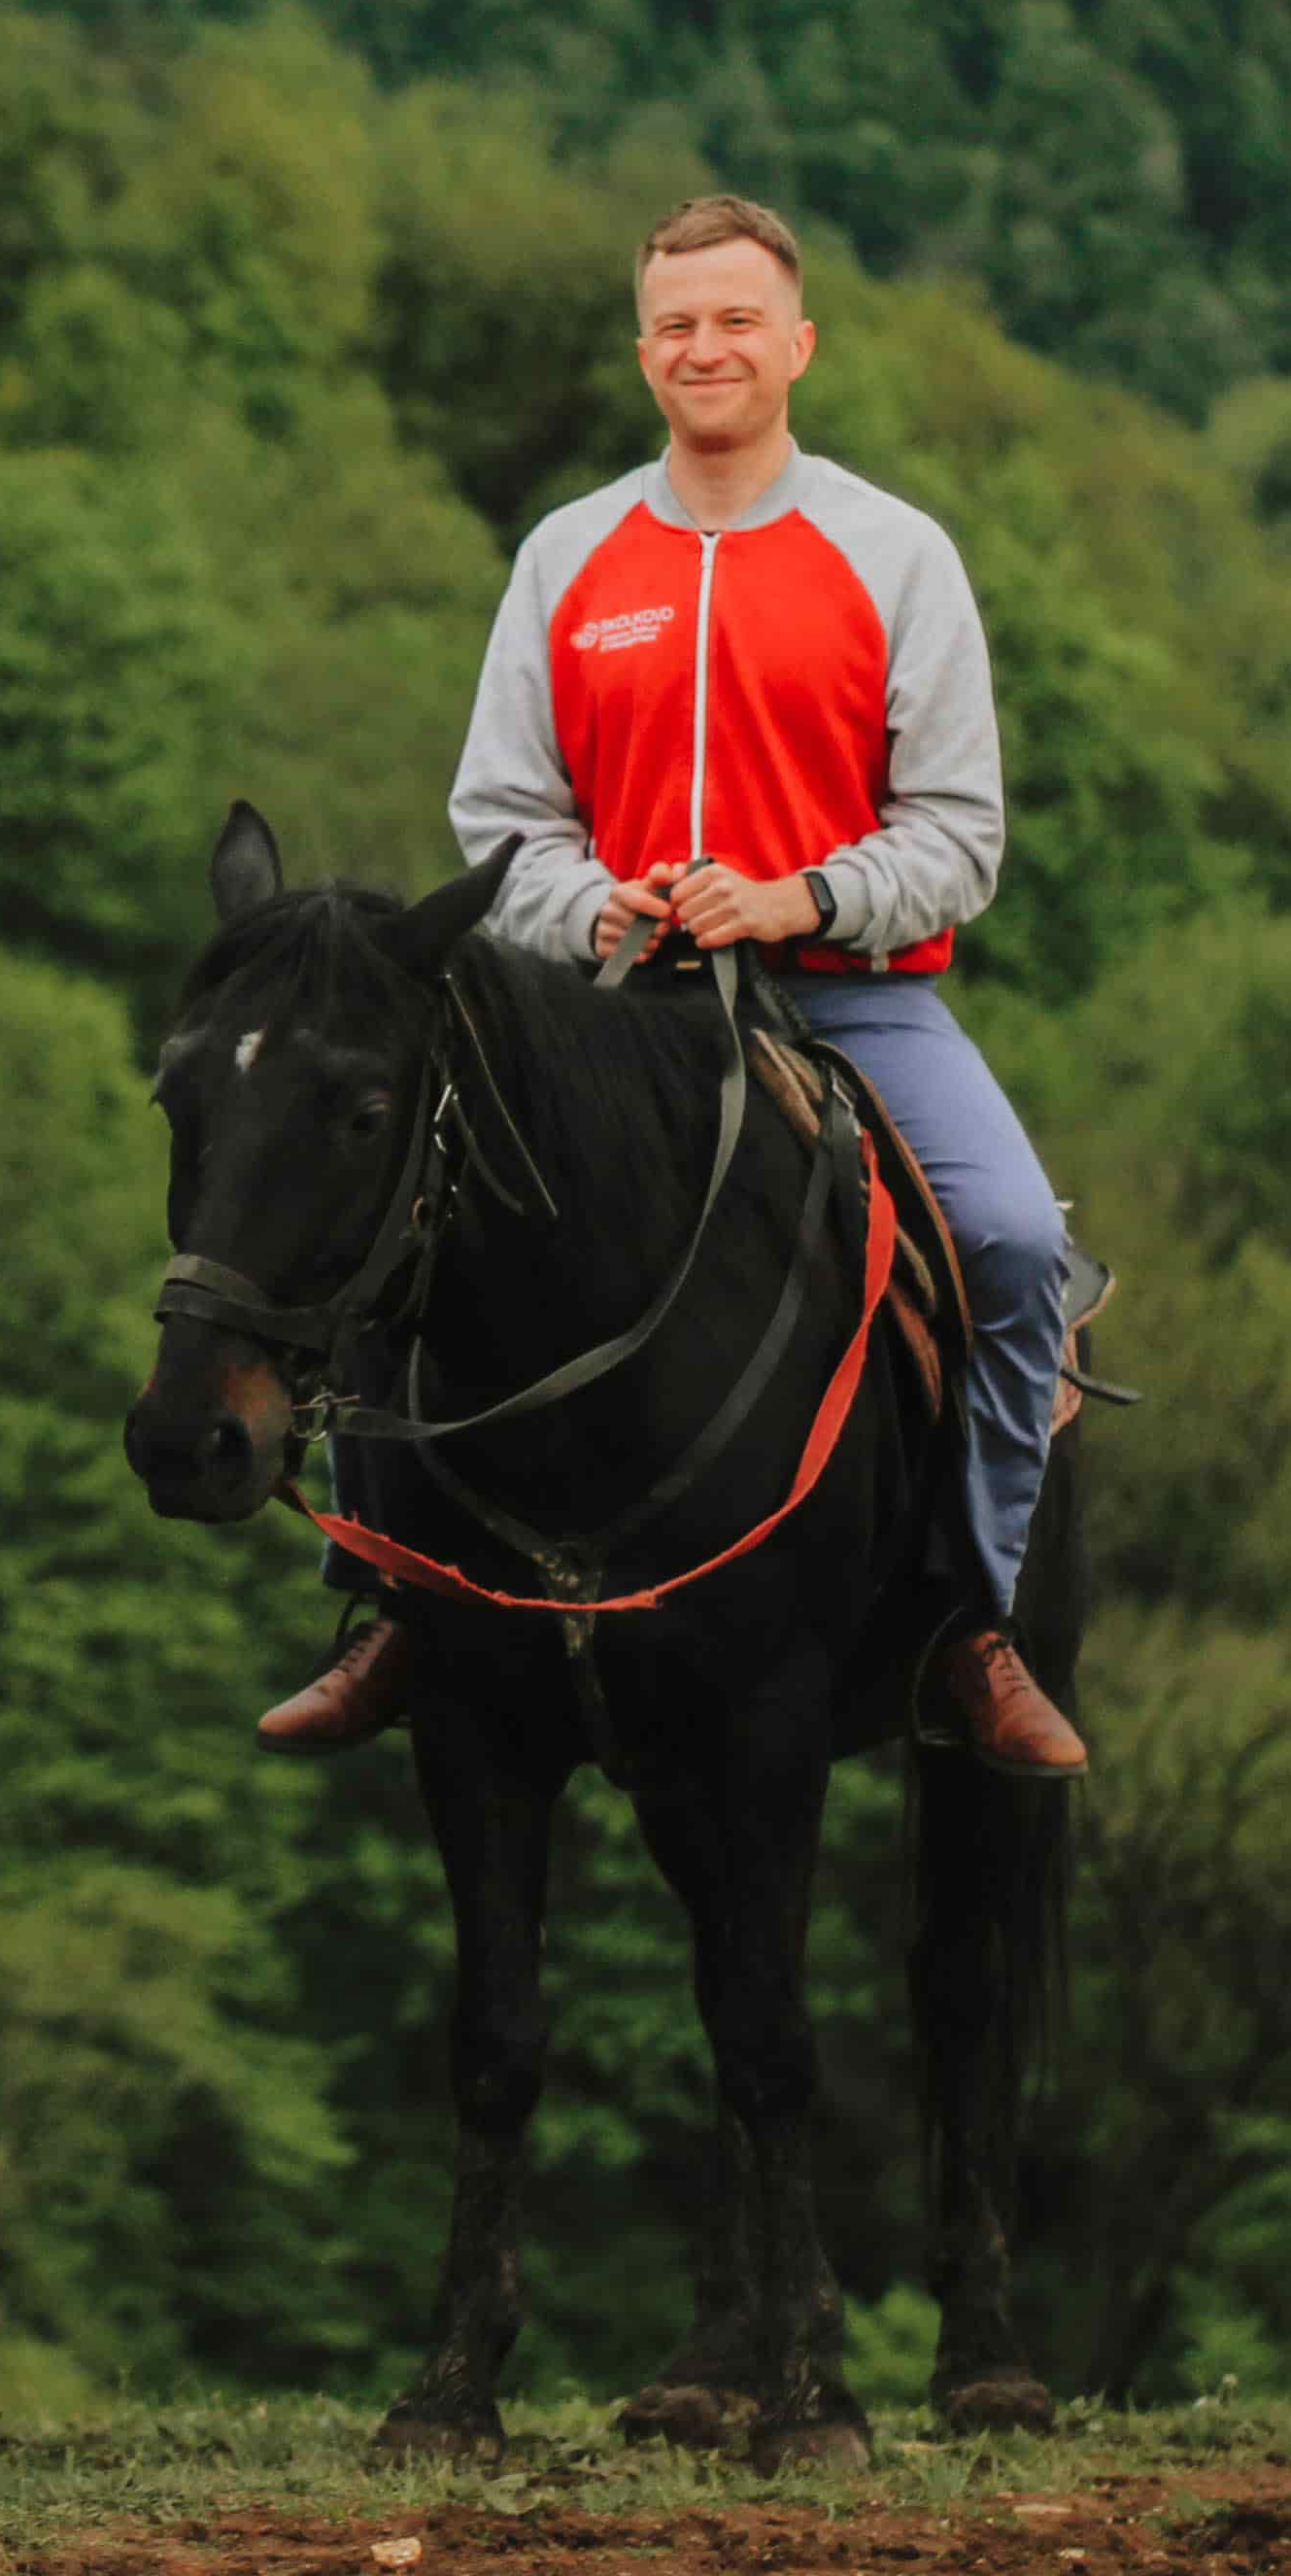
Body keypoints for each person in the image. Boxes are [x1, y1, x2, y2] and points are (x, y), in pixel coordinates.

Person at [261, 193, 1087, 1777]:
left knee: (1011, 1242)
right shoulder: (570, 555)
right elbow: (504, 815)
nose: (704, 347)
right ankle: (381, 1601)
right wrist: (595, 911)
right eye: (675, 325)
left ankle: (972, 1623)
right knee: (388, 1200)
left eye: (734, 320)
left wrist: (801, 895)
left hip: (850, 1001)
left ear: (798, 345)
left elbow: (961, 836)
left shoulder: (894, 553)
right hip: (608, 1018)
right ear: (644, 351)